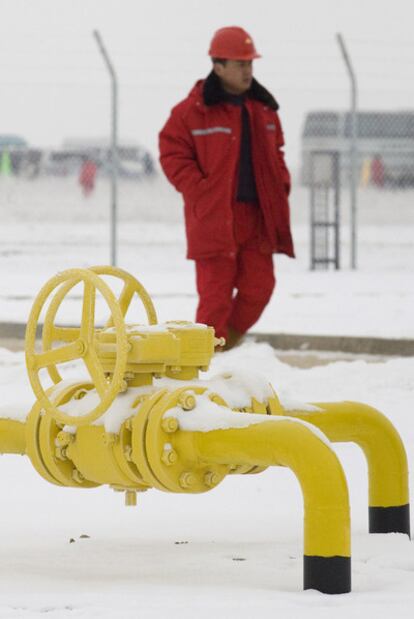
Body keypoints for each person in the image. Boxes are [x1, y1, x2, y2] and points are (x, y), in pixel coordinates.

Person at [159, 26, 294, 349]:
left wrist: (281, 182)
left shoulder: (264, 109)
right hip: (214, 216)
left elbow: (277, 152)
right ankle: (204, 366)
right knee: (214, 299)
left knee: (259, 288)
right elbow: (171, 151)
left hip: (256, 217)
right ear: (218, 67)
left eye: (250, 64)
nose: (248, 71)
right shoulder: (191, 111)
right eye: (240, 64)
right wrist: (198, 189)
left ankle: (223, 348)